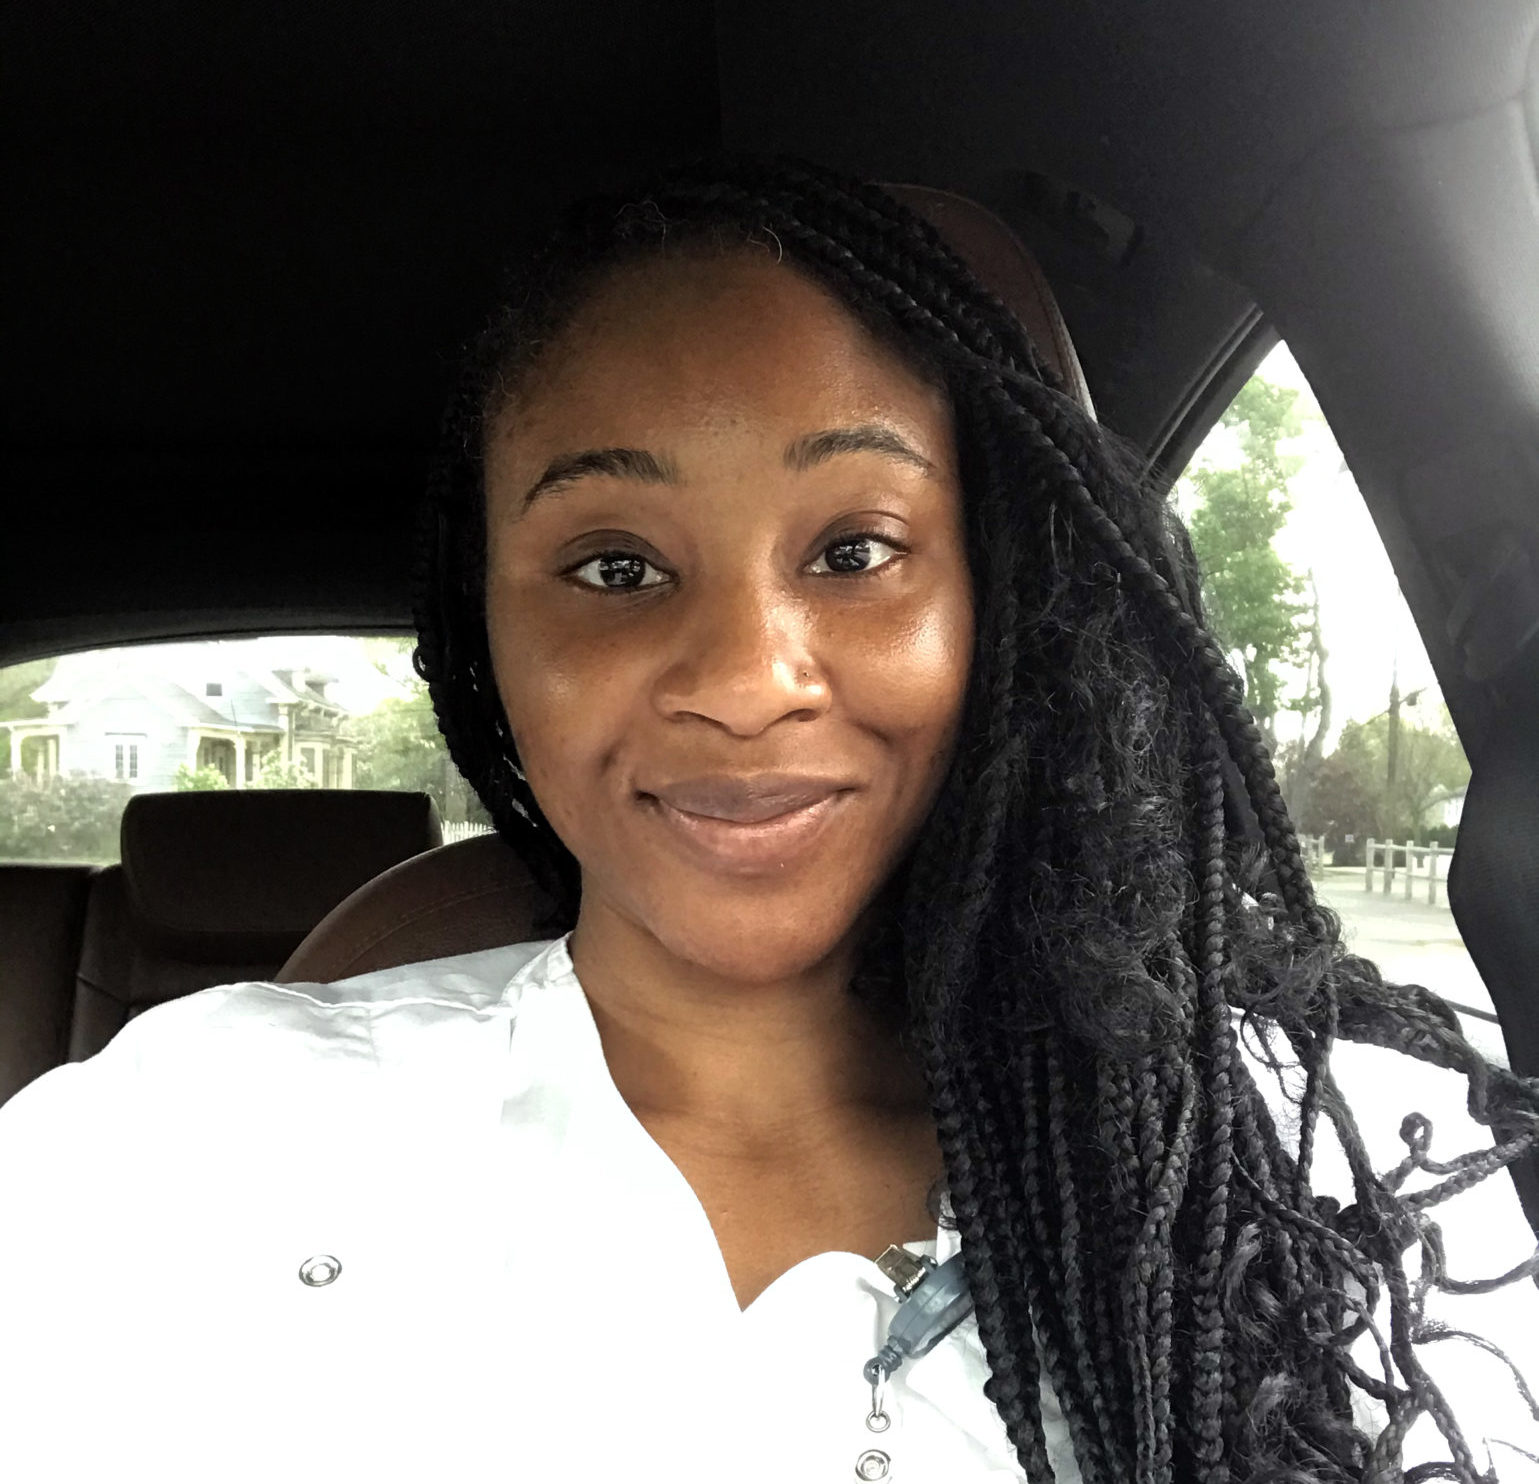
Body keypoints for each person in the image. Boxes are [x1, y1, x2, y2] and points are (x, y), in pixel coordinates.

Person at [2, 157, 1536, 1484]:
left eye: (859, 547)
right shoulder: (168, 1146)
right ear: (489, 637)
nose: (745, 681)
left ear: (1001, 608)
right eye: (615, 568)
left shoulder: (1298, 1172)